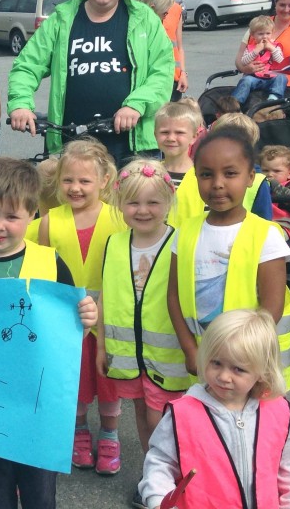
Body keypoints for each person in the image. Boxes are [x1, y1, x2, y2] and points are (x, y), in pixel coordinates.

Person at [0, 157, 99, 508]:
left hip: (36, 406)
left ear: (32, 216)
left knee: (39, 493)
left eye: (12, 217)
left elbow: (68, 331)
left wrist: (86, 320)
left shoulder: (50, 262)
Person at [8, 0, 173, 163]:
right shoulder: (61, 20)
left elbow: (163, 72)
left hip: (132, 148)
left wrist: (135, 105)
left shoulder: (145, 20)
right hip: (72, 148)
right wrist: (20, 104)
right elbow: (26, 66)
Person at [138, 309, 290, 509]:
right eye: (216, 363)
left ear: (262, 371)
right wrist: (158, 500)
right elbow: (159, 463)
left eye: (238, 369)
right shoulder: (183, 414)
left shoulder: (277, 411)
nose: (223, 376)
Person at [167, 129, 290, 388]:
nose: (217, 184)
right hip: (206, 360)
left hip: (251, 363)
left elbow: (272, 308)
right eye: (206, 174)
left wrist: (238, 358)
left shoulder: (266, 235)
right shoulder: (186, 232)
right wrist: (190, 349)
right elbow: (173, 296)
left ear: (250, 178)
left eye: (230, 173)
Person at [97, 159, 189, 509]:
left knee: (162, 420)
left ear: (169, 202)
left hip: (168, 357)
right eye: (133, 202)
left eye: (153, 202)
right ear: (120, 204)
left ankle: (170, 477)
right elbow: (106, 293)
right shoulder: (115, 243)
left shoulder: (180, 242)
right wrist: (100, 346)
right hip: (127, 354)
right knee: (141, 414)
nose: (143, 210)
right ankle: (154, 474)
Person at [36, 139, 126, 473]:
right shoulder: (49, 221)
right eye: (68, 180)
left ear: (104, 181)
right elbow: (43, 269)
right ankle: (79, 431)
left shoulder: (119, 218)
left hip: (109, 314)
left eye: (84, 181)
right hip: (67, 319)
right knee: (73, 378)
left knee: (108, 380)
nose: (75, 188)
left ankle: (110, 434)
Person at [170, 113, 274, 228]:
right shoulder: (194, 173)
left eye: (230, 173)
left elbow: (263, 222)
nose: (218, 184)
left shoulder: (259, 183)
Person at [142, 0, 187, 101]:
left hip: (173, 77)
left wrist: (183, 73)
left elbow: (179, 46)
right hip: (149, 77)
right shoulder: (139, 9)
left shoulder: (175, 8)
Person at [232, 16, 288, 104]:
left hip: (271, 78)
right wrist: (255, 51)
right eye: (260, 34)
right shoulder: (251, 48)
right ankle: (236, 102)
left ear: (272, 33)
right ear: (253, 35)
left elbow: (281, 61)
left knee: (282, 78)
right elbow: (243, 62)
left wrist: (272, 49)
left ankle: (274, 97)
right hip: (254, 78)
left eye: (268, 33)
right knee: (245, 81)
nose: (264, 37)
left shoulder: (275, 47)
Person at [258, 144, 290, 238]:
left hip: (284, 223)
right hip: (260, 222)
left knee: (272, 238)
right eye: (265, 170)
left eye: (276, 171)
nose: (270, 174)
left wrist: (274, 184)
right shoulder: (258, 184)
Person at [153, 101, 200, 189]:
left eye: (179, 132)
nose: (171, 138)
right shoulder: (149, 173)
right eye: (165, 132)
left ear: (194, 137)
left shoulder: (201, 177)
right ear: (155, 135)